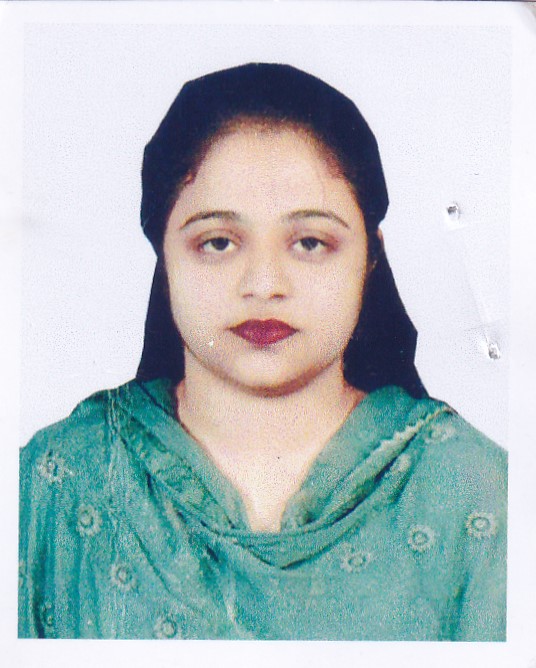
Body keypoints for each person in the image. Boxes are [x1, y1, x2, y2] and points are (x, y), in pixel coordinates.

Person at [18, 63, 507, 640]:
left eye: (310, 242)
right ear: (163, 254)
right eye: (218, 242)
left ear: (370, 257)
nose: (264, 284)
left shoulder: (478, 491)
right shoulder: (60, 479)